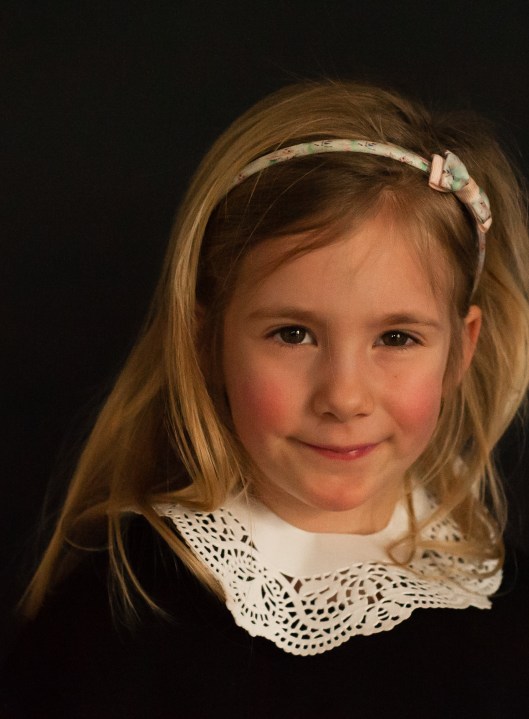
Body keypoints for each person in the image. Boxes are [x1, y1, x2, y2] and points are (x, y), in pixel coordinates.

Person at [2, 79, 529, 718]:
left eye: (397, 338)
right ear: (208, 341)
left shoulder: (502, 606)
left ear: (460, 351)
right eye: (293, 334)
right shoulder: (115, 615)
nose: (344, 397)